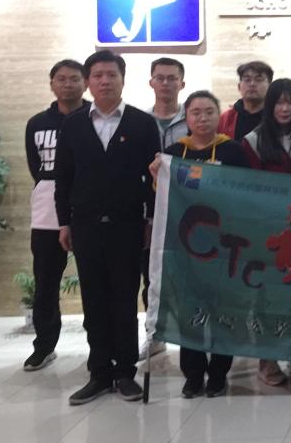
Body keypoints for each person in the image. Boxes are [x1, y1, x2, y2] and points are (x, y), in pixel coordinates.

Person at [54, 50, 159, 405]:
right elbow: (63, 179)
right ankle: (99, 372)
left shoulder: (142, 124)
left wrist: (150, 220)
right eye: (97, 75)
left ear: (122, 79)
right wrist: (64, 222)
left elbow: (153, 180)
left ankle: (125, 372)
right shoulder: (73, 125)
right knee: (94, 300)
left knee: (125, 299)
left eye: (111, 74)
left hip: (127, 226)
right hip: (84, 226)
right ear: (88, 82)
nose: (104, 81)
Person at [149, 91, 248, 398]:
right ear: (186, 118)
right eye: (195, 112)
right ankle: (193, 374)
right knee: (188, 309)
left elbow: (249, 192)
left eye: (209, 112)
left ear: (219, 116)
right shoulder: (174, 152)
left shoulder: (234, 151)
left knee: (223, 310)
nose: (202, 118)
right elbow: (163, 196)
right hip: (185, 246)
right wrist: (156, 175)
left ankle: (218, 373)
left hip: (225, 245)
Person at [240, 78, 291, 385]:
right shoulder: (253, 141)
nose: (285, 108)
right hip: (268, 232)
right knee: (267, 296)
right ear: (270, 106)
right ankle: (267, 361)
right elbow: (251, 189)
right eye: (279, 102)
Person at [22, 59, 88, 371]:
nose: (68, 84)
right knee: (46, 281)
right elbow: (35, 167)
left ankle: (102, 347)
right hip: (47, 209)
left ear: (84, 83)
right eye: (61, 79)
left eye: (74, 79)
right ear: (52, 84)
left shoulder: (95, 117)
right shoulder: (37, 123)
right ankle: (44, 346)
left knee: (96, 281)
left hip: (89, 203)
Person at [140, 56, 189, 360]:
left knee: (188, 275)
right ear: (151, 82)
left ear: (182, 83)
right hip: (150, 210)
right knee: (152, 275)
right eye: (160, 77)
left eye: (172, 78)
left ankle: (192, 336)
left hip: (187, 211)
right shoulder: (139, 121)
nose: (166, 83)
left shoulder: (194, 117)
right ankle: (155, 335)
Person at [218, 61, 273, 140]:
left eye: (258, 79)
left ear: (270, 86)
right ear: (239, 86)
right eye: (247, 80)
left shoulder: (277, 116)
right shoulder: (225, 119)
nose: (252, 84)